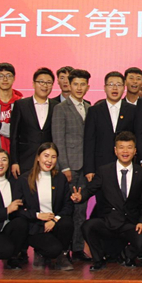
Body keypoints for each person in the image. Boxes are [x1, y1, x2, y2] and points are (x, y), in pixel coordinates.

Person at [73, 131, 142, 271]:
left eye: (129, 147)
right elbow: (90, 189)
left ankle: (126, 256)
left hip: (130, 223)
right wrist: (80, 197)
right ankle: (98, 260)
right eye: (121, 147)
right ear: (115, 150)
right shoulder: (104, 171)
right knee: (88, 226)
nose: (125, 151)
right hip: (109, 222)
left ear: (135, 151)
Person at [52, 68, 92, 262]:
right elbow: (58, 140)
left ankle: (77, 248)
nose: (79, 87)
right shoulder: (61, 108)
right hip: (69, 167)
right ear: (69, 84)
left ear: (88, 87)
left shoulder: (89, 107)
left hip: (85, 167)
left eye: (83, 84)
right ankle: (63, 249)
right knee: (67, 208)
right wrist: (64, 167)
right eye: (75, 84)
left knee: (81, 210)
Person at [17, 143, 74, 271]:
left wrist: (54, 220)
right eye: (46, 156)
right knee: (52, 249)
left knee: (67, 223)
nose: (49, 160)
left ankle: (62, 256)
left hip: (55, 224)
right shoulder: (24, 179)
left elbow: (68, 205)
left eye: (53, 157)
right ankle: (41, 252)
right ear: (38, 157)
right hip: (35, 225)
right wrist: (38, 216)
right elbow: (17, 211)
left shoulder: (60, 178)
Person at [83, 71, 137, 179]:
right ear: (104, 87)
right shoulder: (94, 111)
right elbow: (89, 141)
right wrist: (89, 169)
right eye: (111, 84)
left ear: (124, 87)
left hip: (126, 164)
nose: (115, 88)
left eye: (118, 85)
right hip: (100, 164)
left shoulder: (133, 110)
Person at [10, 68, 59, 178]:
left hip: (48, 162)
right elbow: (14, 136)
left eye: (48, 83)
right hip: (25, 159)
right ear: (33, 84)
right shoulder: (21, 105)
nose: (45, 85)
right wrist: (14, 161)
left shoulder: (56, 106)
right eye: (41, 82)